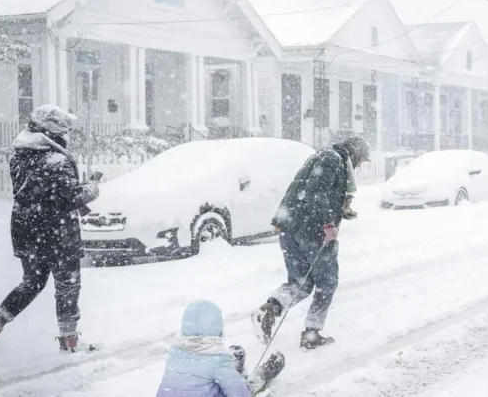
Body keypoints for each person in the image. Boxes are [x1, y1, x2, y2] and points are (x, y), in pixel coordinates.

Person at [0, 104, 100, 363]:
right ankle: (70, 341)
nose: (67, 134)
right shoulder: (56, 160)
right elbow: (67, 197)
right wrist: (91, 188)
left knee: (32, 282)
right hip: (56, 231)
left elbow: (40, 192)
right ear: (54, 130)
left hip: (26, 229)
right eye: (64, 129)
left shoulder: (20, 156)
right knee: (68, 283)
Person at [252, 135, 370, 350]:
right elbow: (316, 194)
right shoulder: (333, 160)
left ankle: (269, 310)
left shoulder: (323, 156)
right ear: (355, 154)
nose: (360, 166)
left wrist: (341, 209)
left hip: (290, 228)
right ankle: (311, 334)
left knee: (301, 282)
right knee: (327, 282)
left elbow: (314, 191)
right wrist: (328, 223)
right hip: (311, 231)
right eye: (361, 161)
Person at [156, 300, 285, 397]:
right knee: (238, 384)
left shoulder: (176, 352)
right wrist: (248, 388)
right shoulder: (216, 359)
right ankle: (261, 376)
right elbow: (239, 394)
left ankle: (233, 369)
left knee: (208, 379)